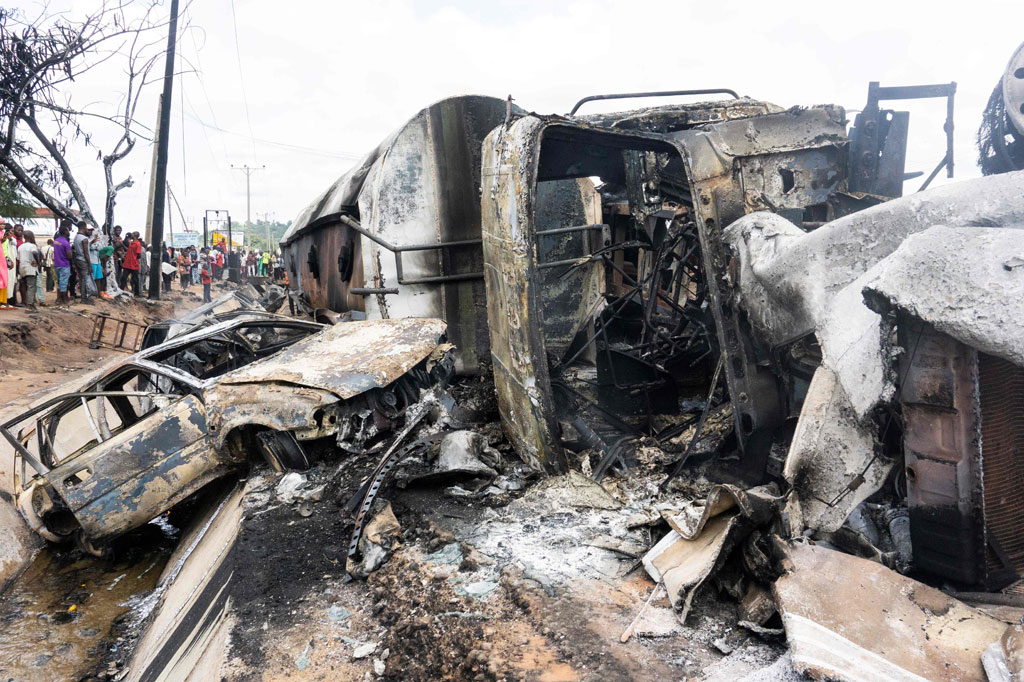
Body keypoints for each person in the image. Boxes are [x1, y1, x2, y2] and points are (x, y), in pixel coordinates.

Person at [17, 231, 41, 312]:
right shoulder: (32, 246)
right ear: (31, 237)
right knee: (31, 287)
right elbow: (34, 252)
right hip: (30, 268)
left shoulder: (20, 247)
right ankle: (30, 306)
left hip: (22, 268)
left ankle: (30, 304)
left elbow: (18, 258)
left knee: (26, 287)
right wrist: (38, 263)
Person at [72, 221, 94, 304]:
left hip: (77, 259)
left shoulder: (76, 237)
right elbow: (86, 253)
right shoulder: (84, 239)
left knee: (81, 279)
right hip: (83, 260)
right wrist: (89, 265)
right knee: (85, 279)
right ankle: (84, 299)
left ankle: (83, 296)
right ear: (84, 228)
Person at [53, 225, 73, 307]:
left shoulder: (55, 241)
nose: (69, 232)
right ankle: (64, 300)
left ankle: (59, 299)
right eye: (67, 230)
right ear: (65, 232)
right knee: (64, 283)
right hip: (64, 264)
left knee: (59, 282)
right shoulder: (66, 243)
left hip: (57, 264)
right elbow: (69, 256)